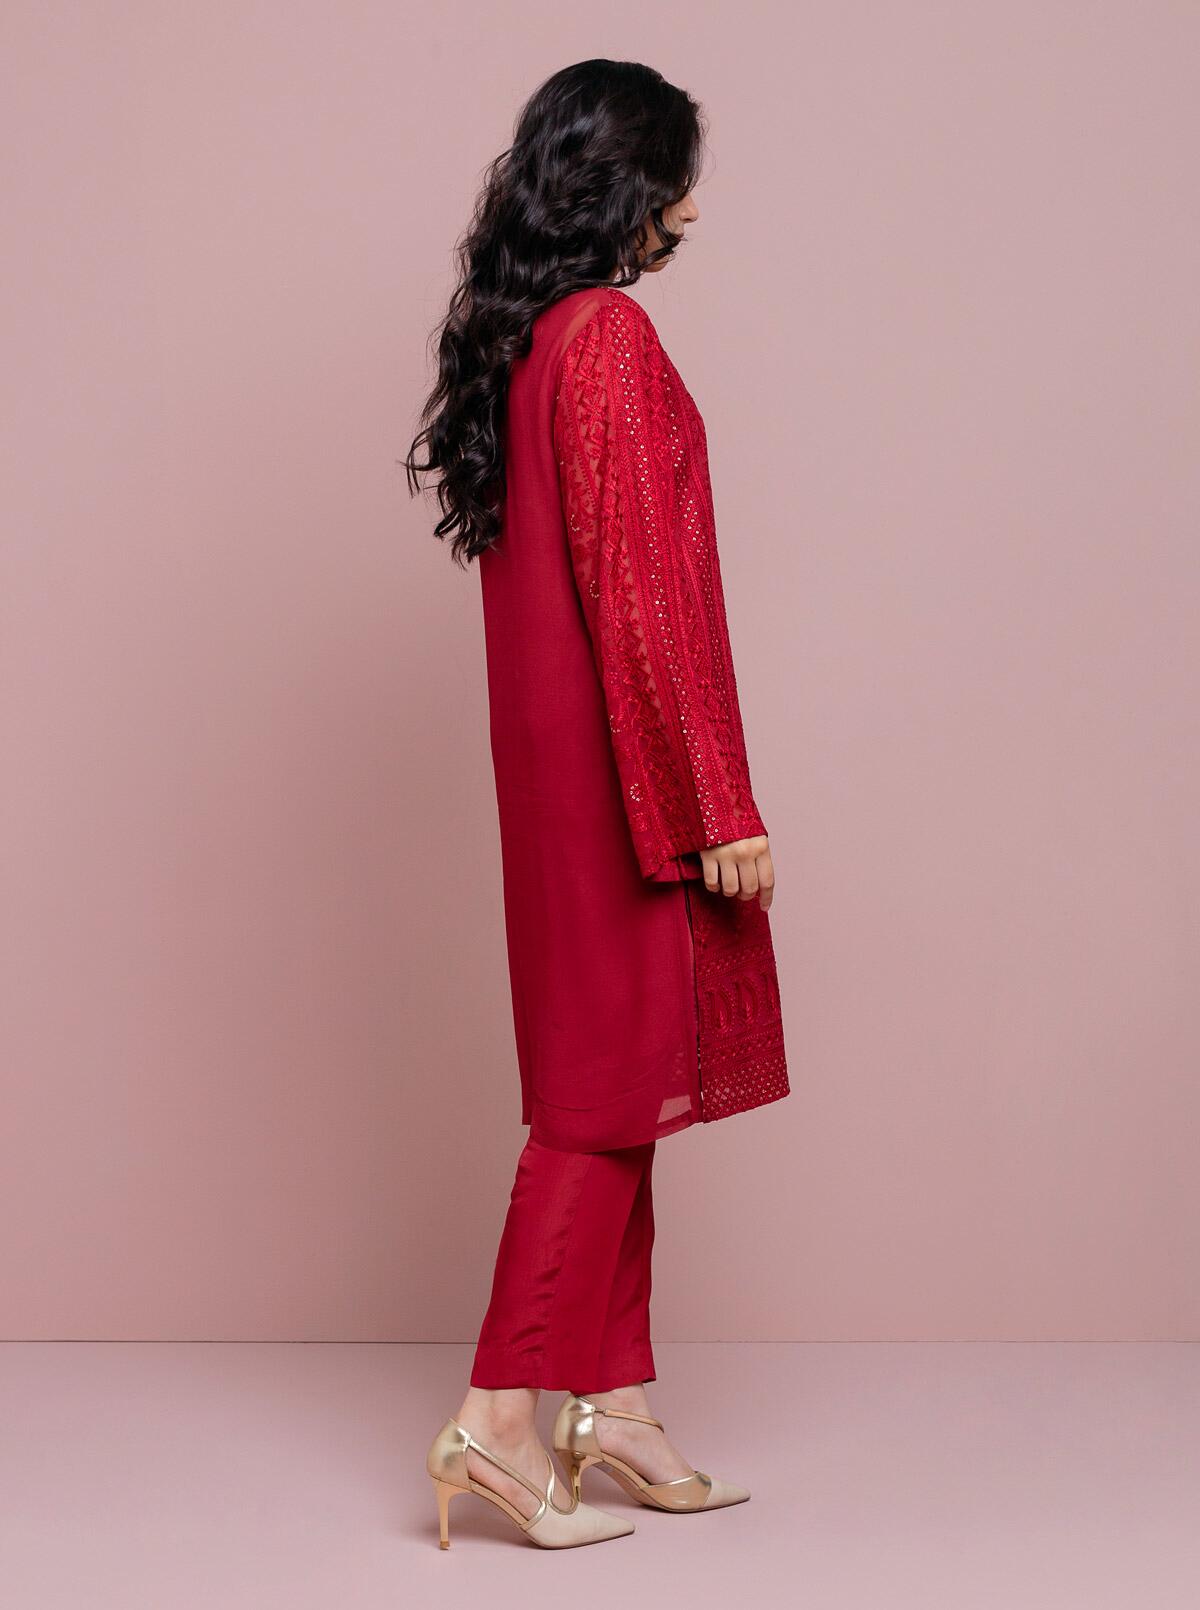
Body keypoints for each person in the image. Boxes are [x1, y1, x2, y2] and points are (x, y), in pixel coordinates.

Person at [405, 58, 790, 1550]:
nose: (691, 208)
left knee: (618, 1079)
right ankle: (500, 1417)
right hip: (624, 772)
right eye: (679, 177)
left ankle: (612, 1402)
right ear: (633, 184)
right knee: (598, 1097)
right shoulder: (609, 338)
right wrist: (714, 801)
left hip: (557, 768)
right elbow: (641, 600)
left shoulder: (524, 340)